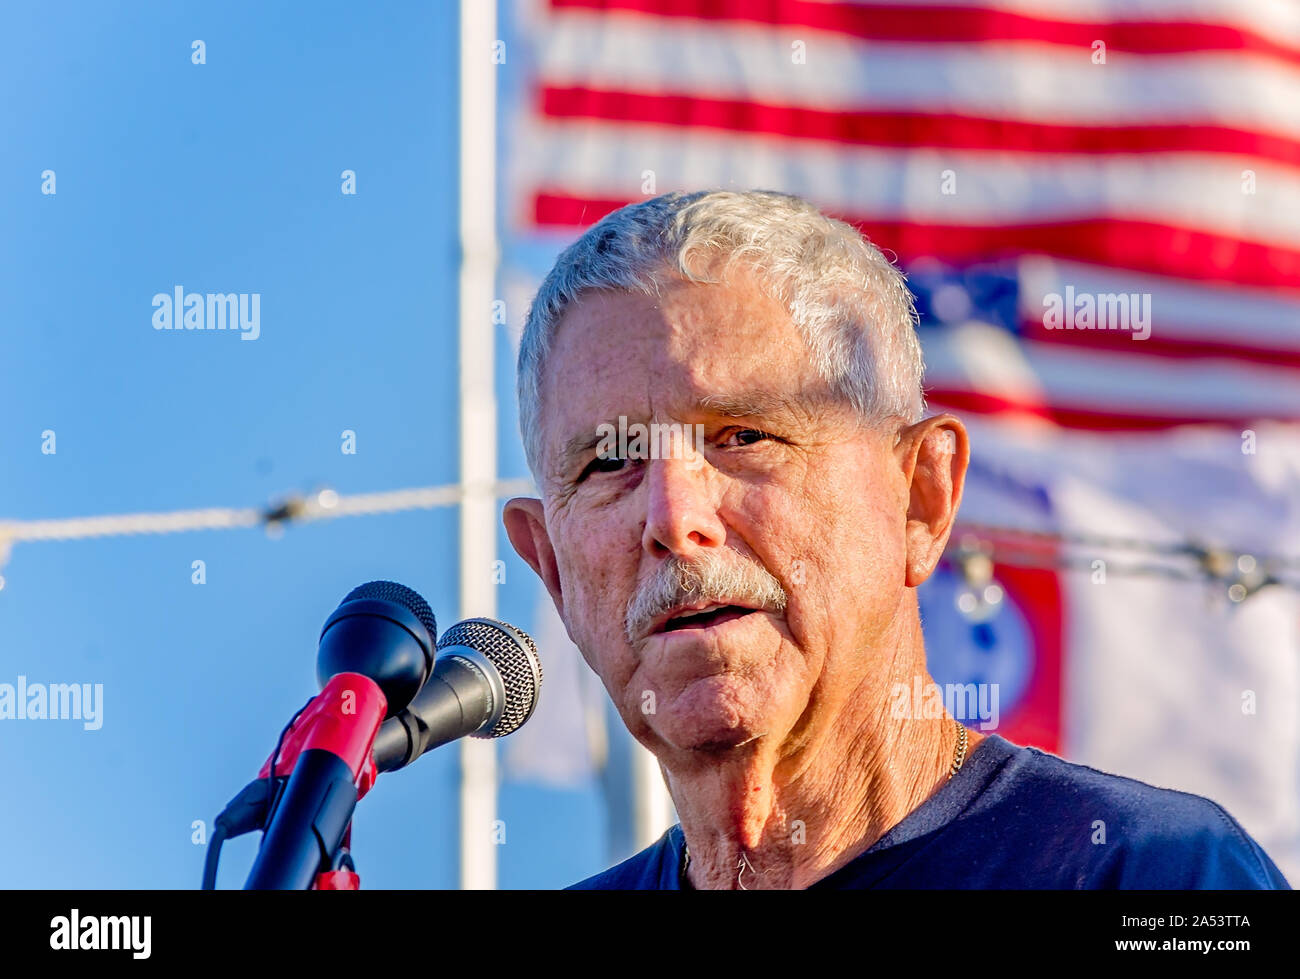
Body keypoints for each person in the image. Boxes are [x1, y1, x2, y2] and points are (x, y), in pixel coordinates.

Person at [502, 189, 1290, 890]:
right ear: (552, 570)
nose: (673, 518)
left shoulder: (1155, 875)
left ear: (920, 498)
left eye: (743, 435)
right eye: (610, 461)